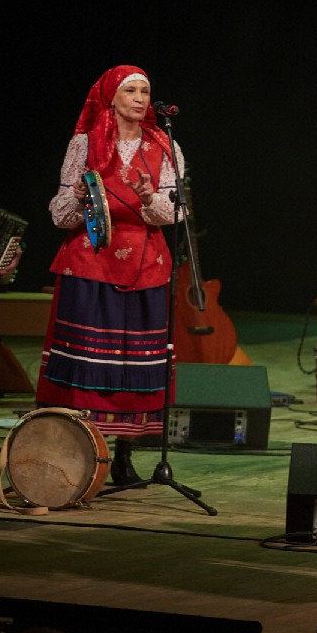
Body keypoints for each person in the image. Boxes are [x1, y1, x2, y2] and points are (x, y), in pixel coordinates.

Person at [36, 65, 186, 487]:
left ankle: (123, 456)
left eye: (145, 92)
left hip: (145, 264)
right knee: (86, 361)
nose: (139, 99)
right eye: (130, 91)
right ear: (111, 98)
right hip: (90, 262)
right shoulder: (84, 143)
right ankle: (77, 455)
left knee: (133, 363)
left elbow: (176, 212)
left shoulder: (165, 145)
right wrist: (76, 196)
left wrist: (149, 198)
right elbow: (60, 215)